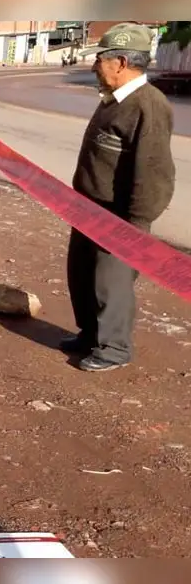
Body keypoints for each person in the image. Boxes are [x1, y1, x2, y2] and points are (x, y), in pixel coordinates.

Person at [65, 23, 176, 372]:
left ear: (121, 62)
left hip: (118, 218)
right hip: (88, 209)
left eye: (100, 59)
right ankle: (90, 334)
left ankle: (114, 349)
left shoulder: (149, 107)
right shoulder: (114, 100)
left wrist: (135, 227)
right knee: (81, 274)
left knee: (110, 285)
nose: (95, 66)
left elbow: (154, 174)